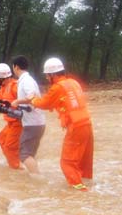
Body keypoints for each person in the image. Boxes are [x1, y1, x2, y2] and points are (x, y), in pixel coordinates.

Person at [29, 57, 94, 191]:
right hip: (87, 125)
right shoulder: (73, 82)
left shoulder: (57, 88)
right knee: (83, 162)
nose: (46, 78)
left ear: (52, 74)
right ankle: (87, 184)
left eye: (47, 75)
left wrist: (32, 99)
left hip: (76, 127)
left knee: (67, 163)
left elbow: (44, 103)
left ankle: (80, 191)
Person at [10, 55, 46, 175]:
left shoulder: (26, 80)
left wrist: (17, 101)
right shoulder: (27, 80)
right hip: (36, 122)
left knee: (24, 154)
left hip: (32, 123)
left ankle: (37, 178)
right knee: (30, 154)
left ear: (16, 67)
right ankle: (35, 176)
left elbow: (31, 96)